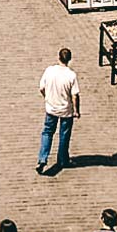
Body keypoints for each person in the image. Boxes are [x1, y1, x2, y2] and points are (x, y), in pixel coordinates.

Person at [37, 46, 80, 176]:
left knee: (47, 133)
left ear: (58, 57)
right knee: (64, 135)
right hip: (66, 110)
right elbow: (75, 95)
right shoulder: (71, 75)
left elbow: (41, 88)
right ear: (70, 59)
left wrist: (47, 98)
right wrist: (76, 110)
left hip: (51, 108)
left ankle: (42, 159)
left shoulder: (50, 71)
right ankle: (63, 160)